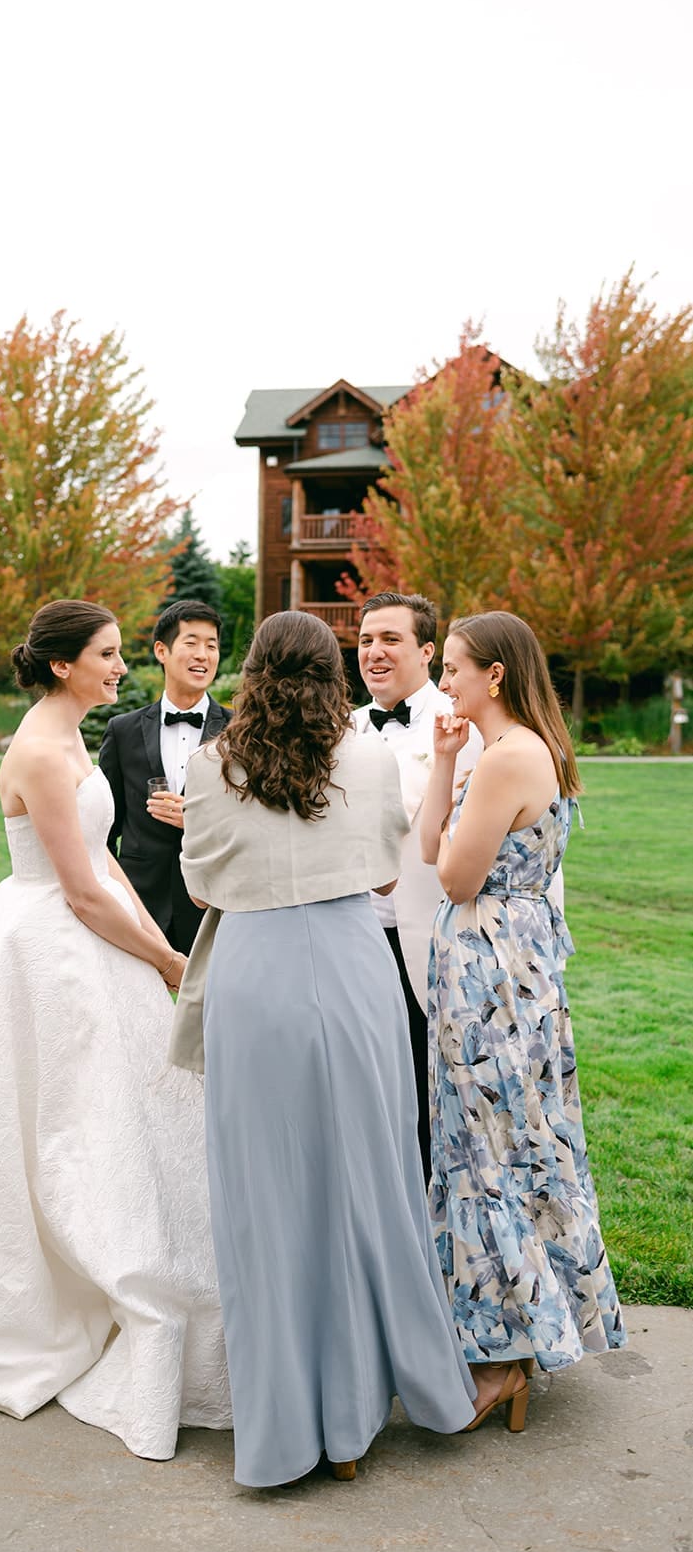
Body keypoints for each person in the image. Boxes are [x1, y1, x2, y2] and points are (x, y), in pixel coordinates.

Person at [0, 600, 231, 1461]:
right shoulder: (40, 752)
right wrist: (167, 966)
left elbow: (106, 866)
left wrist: (163, 947)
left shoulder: (74, 737)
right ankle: (51, 1291)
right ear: (62, 665)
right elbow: (80, 891)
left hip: (95, 939)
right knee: (60, 1121)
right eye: (108, 653)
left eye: (121, 653)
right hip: (48, 953)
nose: (120, 666)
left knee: (124, 1112)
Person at [170, 611, 476, 1488]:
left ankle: (284, 1425)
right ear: (330, 672)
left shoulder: (209, 764)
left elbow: (198, 883)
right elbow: (386, 872)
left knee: (265, 1196)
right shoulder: (371, 758)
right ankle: (359, 1412)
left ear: (255, 673)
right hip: (349, 970)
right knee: (368, 1177)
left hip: (255, 974)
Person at [420, 610, 626, 1430]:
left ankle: (505, 1355)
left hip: (491, 973)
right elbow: (433, 842)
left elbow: (452, 876)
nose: (444, 682)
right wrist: (442, 762)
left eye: (454, 668)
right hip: (514, 961)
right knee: (506, 1136)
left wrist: (450, 810)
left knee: (489, 1148)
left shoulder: (509, 759)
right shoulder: (511, 749)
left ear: (494, 675)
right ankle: (511, 1332)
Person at [355, 591, 483, 1182]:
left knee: (429, 1090)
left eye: (390, 639)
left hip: (426, 939)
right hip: (349, 938)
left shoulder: (463, 729)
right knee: (361, 1089)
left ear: (428, 651)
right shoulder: (344, 728)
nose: (374, 652)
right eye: (365, 641)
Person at [99, 599, 229, 953]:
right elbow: (105, 827)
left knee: (209, 1007)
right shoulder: (122, 730)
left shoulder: (240, 731)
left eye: (212, 645)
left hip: (214, 899)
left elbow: (257, 820)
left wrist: (199, 820)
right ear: (162, 651)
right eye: (191, 643)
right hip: (139, 898)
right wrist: (110, 897)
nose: (203, 654)